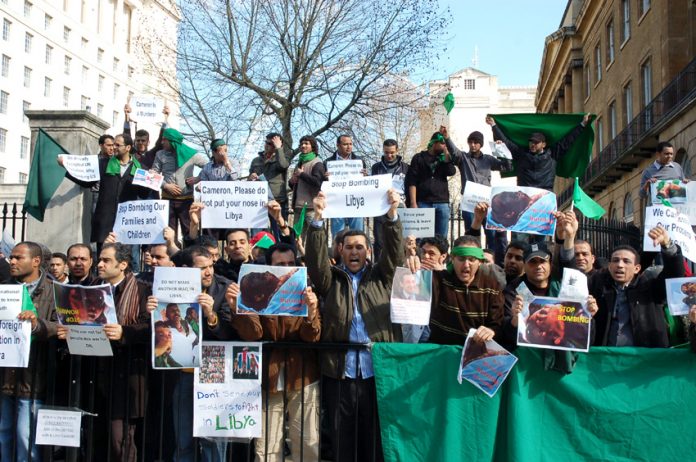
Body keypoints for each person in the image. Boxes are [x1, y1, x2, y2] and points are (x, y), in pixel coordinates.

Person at [305, 187, 402, 462]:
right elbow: (314, 262)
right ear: (340, 251)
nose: (354, 251)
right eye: (349, 247)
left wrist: (392, 216)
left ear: (369, 251)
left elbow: (394, 254)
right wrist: (317, 219)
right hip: (341, 374)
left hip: (376, 373)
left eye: (360, 246)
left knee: (373, 439)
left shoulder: (381, 276)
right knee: (341, 438)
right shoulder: (331, 280)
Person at [227, 243, 321, 462]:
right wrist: (236, 308)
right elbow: (254, 334)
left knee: (307, 442)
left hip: (302, 377)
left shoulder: (307, 293)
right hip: (268, 380)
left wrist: (312, 312)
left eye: (290, 263)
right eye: (280, 264)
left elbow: (312, 336)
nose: (286, 267)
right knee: (266, 448)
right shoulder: (257, 290)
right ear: (270, 268)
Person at [58, 243, 150, 461]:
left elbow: (151, 328)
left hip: (126, 375)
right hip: (94, 374)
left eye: (106, 260)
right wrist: (67, 330)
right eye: (99, 259)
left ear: (123, 264)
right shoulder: (90, 288)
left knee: (120, 440)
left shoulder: (142, 290)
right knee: (95, 438)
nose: (99, 264)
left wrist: (124, 332)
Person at [148, 245, 236, 462]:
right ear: (186, 269)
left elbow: (231, 333)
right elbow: (162, 328)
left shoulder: (224, 288)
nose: (209, 272)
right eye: (202, 268)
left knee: (212, 441)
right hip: (183, 373)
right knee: (183, 440)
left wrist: (211, 316)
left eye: (211, 266)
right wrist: (152, 310)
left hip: (213, 374)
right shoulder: (168, 287)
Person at [1, 242, 57, 462]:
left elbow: (62, 326)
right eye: (11, 257)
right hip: (6, 374)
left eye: (17, 258)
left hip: (35, 376)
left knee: (26, 436)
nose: (12, 262)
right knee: (4, 432)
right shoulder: (4, 287)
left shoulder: (54, 290)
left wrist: (37, 324)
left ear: (35, 261)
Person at [588, 226, 684, 347]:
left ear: (637, 268)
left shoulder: (651, 289)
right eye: (615, 260)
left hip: (643, 361)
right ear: (610, 265)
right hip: (605, 359)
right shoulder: (597, 287)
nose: (620, 265)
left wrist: (668, 245)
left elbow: (674, 275)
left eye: (626, 261)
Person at [60, 133, 151, 250]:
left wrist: (149, 181)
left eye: (118, 145)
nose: (113, 148)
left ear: (128, 148)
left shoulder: (141, 169)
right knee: (103, 256)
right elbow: (87, 182)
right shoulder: (103, 164)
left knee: (126, 259)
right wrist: (67, 167)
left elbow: (143, 194)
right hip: (105, 221)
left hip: (127, 223)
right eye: (113, 145)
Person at [446, 127, 511, 264]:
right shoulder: (463, 158)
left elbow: (507, 167)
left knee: (491, 235)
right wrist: (447, 138)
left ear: (480, 144)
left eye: (476, 142)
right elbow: (454, 151)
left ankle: (491, 262)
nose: (473, 145)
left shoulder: (488, 159)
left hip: (487, 203)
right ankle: (473, 258)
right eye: (471, 142)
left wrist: (501, 149)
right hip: (469, 204)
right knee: (471, 233)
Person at [487, 113, 591, 191]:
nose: (532, 144)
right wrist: (493, 125)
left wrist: (582, 124)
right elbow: (507, 143)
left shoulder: (553, 154)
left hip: (544, 195)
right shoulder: (521, 154)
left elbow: (568, 140)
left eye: (536, 142)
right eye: (531, 142)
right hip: (525, 195)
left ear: (543, 144)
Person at [152, 128, 209, 238]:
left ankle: (189, 255)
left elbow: (209, 167)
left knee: (189, 231)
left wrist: (198, 178)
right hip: (167, 200)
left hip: (186, 201)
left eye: (165, 140)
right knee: (168, 233)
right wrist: (165, 185)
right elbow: (152, 174)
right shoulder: (160, 154)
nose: (162, 142)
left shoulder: (191, 154)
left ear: (172, 141)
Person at [405, 131, 457, 238]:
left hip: (442, 202)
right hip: (423, 202)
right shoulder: (419, 158)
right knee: (421, 238)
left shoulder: (444, 159)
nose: (444, 146)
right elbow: (412, 181)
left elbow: (451, 172)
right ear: (434, 143)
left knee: (441, 238)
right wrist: (413, 203)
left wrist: (446, 154)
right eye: (442, 143)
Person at [324, 135, 368, 238]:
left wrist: (365, 177)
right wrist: (325, 178)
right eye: (345, 144)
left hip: (355, 201)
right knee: (338, 235)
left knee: (357, 234)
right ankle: (338, 253)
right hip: (337, 202)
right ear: (338, 145)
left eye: (350, 144)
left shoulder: (360, 161)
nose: (349, 147)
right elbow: (323, 184)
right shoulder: (328, 162)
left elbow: (364, 183)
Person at [371, 139, 409, 258]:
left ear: (397, 150)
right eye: (386, 152)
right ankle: (378, 266)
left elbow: (410, 187)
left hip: (400, 206)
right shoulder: (376, 167)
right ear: (383, 150)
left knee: (398, 238)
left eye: (392, 152)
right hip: (381, 207)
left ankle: (399, 265)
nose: (389, 155)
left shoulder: (406, 167)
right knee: (380, 240)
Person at [249, 133, 296, 220]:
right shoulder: (256, 160)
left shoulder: (284, 157)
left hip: (277, 200)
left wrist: (279, 148)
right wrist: (251, 177)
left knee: (279, 231)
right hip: (259, 200)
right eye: (266, 142)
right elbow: (249, 179)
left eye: (270, 144)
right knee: (259, 232)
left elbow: (283, 166)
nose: (267, 145)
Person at [289, 135, 325, 238]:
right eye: (301, 144)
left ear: (312, 146)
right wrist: (291, 181)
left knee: (315, 237)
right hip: (298, 207)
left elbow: (318, 183)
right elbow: (295, 186)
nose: (303, 146)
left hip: (311, 208)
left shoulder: (317, 163)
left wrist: (302, 175)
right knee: (297, 238)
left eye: (306, 144)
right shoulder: (299, 163)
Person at [123, 102, 168, 170]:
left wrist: (165, 118)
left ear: (148, 142)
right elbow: (126, 136)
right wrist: (127, 116)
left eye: (143, 140)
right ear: (135, 141)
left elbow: (160, 142)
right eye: (138, 140)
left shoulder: (152, 155)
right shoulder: (130, 152)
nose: (140, 142)